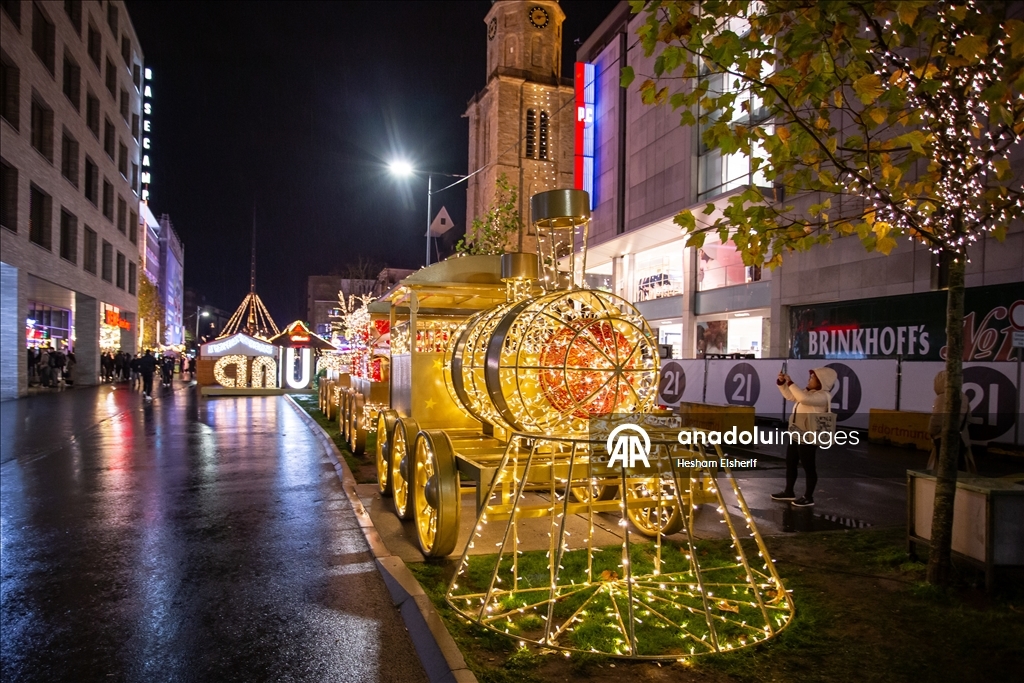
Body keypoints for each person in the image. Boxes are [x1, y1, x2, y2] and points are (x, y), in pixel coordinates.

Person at [771, 367, 838, 508]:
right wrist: (781, 383)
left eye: (812, 378)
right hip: (797, 433)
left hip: (809, 436)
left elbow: (802, 398)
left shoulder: (823, 396)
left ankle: (808, 496)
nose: (809, 380)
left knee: (809, 466)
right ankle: (789, 491)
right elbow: (791, 396)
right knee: (791, 462)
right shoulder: (810, 392)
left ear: (821, 381)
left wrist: (790, 382)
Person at [927, 370, 975, 473]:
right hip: (961, 439)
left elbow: (936, 421)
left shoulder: (942, 398)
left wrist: (931, 432)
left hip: (944, 439)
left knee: (944, 470)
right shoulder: (964, 397)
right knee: (958, 470)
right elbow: (969, 419)